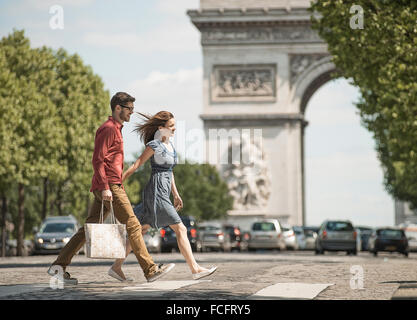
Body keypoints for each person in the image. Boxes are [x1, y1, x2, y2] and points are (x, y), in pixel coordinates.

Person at [47, 92, 175, 284]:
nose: (131, 113)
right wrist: (107, 187)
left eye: (132, 109)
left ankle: (58, 267)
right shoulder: (108, 129)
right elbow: (97, 160)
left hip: (108, 186)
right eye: (129, 109)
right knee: (133, 224)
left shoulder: (116, 128)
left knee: (87, 229)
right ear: (118, 108)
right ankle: (150, 270)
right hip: (110, 186)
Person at [108, 111, 217, 281]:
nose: (174, 129)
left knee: (141, 230)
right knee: (180, 228)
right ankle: (195, 269)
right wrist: (116, 182)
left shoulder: (170, 146)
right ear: (161, 128)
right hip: (156, 192)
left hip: (165, 191)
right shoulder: (154, 145)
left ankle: (116, 267)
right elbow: (136, 164)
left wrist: (176, 194)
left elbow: (170, 171)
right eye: (171, 126)